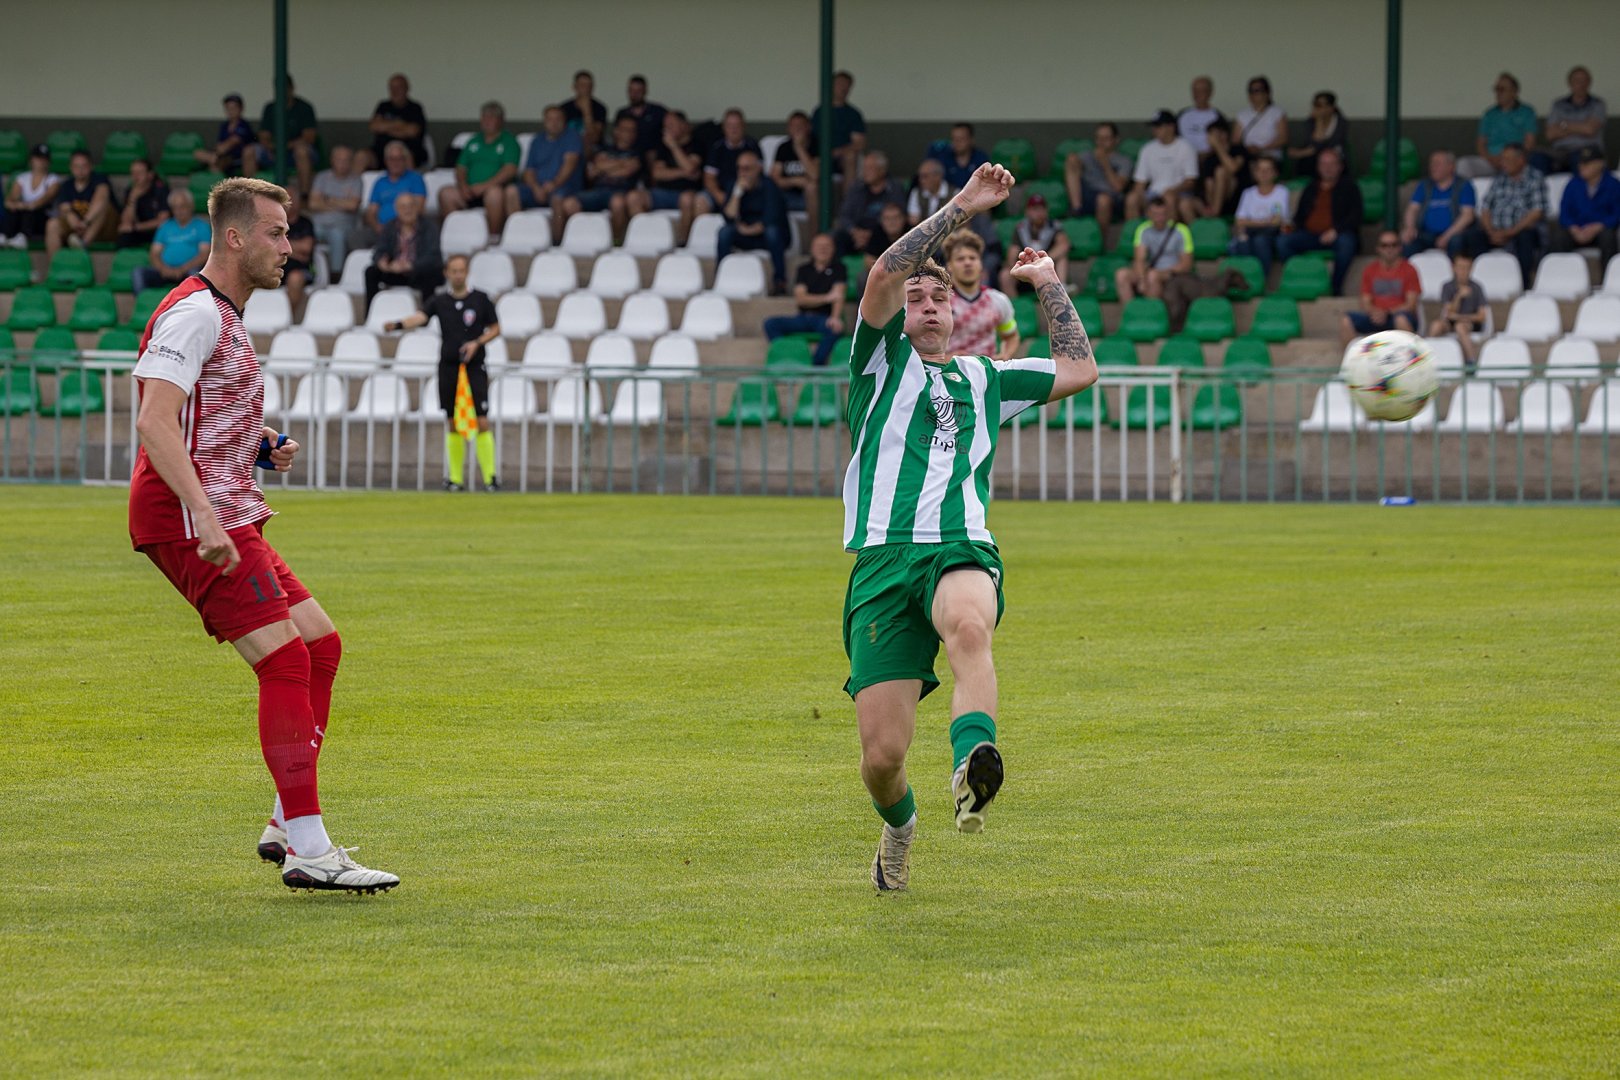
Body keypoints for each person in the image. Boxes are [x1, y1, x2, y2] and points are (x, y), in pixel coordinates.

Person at [128, 176, 398, 893]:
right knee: (283, 661)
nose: (289, 246)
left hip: (223, 506)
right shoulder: (195, 312)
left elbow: (199, 420)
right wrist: (204, 514)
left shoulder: (224, 314)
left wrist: (258, 443)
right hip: (190, 514)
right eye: (276, 233)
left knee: (319, 645)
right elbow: (154, 421)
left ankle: (285, 822)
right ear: (235, 237)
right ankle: (309, 846)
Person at [842, 161, 1098, 892]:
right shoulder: (877, 365)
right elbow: (881, 276)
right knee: (882, 758)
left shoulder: (987, 378)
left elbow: (1079, 369)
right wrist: (964, 205)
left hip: (960, 547)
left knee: (969, 626)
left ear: (956, 313)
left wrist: (1047, 281)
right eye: (916, 298)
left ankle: (972, 761)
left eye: (939, 299)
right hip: (883, 561)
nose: (927, 306)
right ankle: (900, 827)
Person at [383, 253, 502, 493]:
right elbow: (421, 316)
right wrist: (398, 325)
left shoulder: (480, 299)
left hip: (474, 367)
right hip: (449, 366)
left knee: (481, 419)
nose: (458, 275)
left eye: (461, 271)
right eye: (453, 271)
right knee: (452, 421)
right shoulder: (440, 300)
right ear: (447, 273)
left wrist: (477, 343)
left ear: (467, 272)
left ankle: (490, 478)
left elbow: (495, 328)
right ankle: (455, 479)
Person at [1276, 147, 1361, 294]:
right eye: (1324, 164)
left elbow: (1356, 216)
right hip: (1309, 235)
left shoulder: (1350, 187)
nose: (1327, 168)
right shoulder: (1311, 187)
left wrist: (1336, 231)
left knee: (1347, 243)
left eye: (1332, 164)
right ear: (1318, 167)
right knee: (1283, 242)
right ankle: (1302, 277)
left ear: (1340, 167)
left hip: (1337, 235)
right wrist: (1290, 227)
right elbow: (1299, 216)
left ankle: (1335, 287)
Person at [1467, 143, 1545, 288]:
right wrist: (1491, 231)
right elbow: (1485, 208)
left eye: (1507, 159)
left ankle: (1523, 284)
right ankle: (1480, 283)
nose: (1503, 163)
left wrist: (1510, 232)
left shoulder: (1535, 178)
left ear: (1521, 160)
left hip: (1520, 230)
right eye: (1502, 159)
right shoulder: (1499, 179)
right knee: (1473, 237)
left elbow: (1536, 213)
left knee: (1526, 238)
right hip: (1494, 231)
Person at [438, 101, 520, 237]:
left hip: (493, 190)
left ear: (501, 120)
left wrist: (484, 186)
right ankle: (457, 236)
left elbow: (510, 170)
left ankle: (492, 238)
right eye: (484, 117)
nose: (487, 121)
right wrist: (463, 186)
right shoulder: (473, 141)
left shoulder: (509, 141)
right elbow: (460, 168)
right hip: (469, 191)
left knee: (494, 194)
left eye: (491, 117)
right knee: (445, 193)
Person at [763, 232, 847, 365]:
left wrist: (835, 317)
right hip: (803, 318)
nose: (823, 249)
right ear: (812, 249)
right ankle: (789, 355)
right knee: (770, 324)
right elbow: (801, 299)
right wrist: (827, 297)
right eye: (819, 246)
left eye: (827, 246)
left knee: (834, 328)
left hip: (824, 318)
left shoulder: (839, 269)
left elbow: (838, 296)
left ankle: (816, 364)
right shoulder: (803, 269)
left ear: (833, 249)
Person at [561, 115, 644, 244]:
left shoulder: (638, 152)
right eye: (624, 129)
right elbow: (595, 167)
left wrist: (605, 167)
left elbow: (628, 171)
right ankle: (585, 240)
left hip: (621, 192)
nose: (628, 133)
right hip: (596, 191)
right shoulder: (603, 148)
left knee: (618, 203)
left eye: (631, 130)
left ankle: (615, 242)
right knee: (569, 203)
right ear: (616, 131)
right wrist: (622, 163)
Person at [715, 149, 787, 293]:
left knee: (772, 232)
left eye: (747, 168)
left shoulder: (770, 186)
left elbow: (770, 219)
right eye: (739, 168)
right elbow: (728, 217)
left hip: (766, 236)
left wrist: (747, 230)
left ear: (758, 168)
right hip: (744, 234)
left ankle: (780, 281)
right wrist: (737, 194)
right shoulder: (734, 185)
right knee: (724, 232)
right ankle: (721, 276)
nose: (742, 173)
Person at [942, 229, 1019, 360]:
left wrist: (1005, 356)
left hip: (986, 371)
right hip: (948, 371)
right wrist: (944, 359)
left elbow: (1011, 336)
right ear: (949, 265)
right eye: (960, 259)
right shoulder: (939, 302)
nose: (967, 263)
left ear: (980, 264)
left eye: (972, 258)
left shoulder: (998, 300)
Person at [508, 104, 584, 229]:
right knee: (511, 191)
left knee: (557, 198)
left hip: (563, 188)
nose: (554, 123)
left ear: (564, 121)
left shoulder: (572, 137)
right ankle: (518, 232)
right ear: (544, 121)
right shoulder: (537, 140)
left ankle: (556, 239)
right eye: (550, 119)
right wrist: (535, 188)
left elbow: (569, 165)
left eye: (558, 119)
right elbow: (529, 171)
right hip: (538, 189)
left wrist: (553, 184)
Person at [244, 76, 320, 195]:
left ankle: (304, 195)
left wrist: (284, 147)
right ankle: (250, 195)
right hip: (273, 151)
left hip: (295, 152)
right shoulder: (270, 108)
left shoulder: (304, 107)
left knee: (301, 151)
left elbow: (308, 137)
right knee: (249, 151)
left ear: (292, 88)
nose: (282, 92)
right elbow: (263, 136)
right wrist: (271, 147)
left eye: (285, 88)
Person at [1341, 231, 1420, 344]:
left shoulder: (1409, 270)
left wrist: (1387, 313)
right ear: (1378, 248)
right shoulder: (1370, 270)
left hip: (1398, 316)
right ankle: (1353, 355)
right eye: (1384, 245)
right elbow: (1365, 302)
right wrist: (1375, 312)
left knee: (1401, 319)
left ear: (1400, 248)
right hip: (1375, 317)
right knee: (1346, 320)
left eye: (1394, 245)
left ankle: (1410, 354)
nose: (1389, 249)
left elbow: (1410, 305)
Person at [363, 193, 441, 305]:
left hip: (418, 271)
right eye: (403, 207)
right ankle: (371, 311)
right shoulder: (389, 227)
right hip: (396, 271)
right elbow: (379, 250)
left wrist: (410, 265)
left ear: (417, 208)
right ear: (397, 209)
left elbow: (433, 256)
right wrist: (382, 262)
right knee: (371, 272)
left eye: (411, 206)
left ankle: (427, 313)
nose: (407, 210)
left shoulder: (429, 227)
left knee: (430, 274)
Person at [1115, 195, 1195, 303]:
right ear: (1148, 214)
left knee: (1152, 276)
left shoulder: (1181, 231)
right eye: (1156, 214)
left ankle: (1151, 310)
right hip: (1151, 269)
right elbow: (1139, 259)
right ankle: (1130, 310)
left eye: (1163, 214)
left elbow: (1186, 264)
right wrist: (1142, 280)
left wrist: (1162, 272)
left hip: (1173, 273)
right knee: (1121, 275)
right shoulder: (1143, 230)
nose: (1160, 218)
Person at [131, 188, 211, 294]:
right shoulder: (165, 226)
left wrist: (182, 269)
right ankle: (143, 302)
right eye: (175, 208)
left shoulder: (202, 226)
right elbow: (154, 254)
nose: (179, 211)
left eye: (182, 206)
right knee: (138, 273)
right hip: (164, 272)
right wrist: (163, 269)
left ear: (191, 206)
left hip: (188, 272)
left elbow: (204, 255)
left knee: (196, 275)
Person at [1459, 73, 1539, 179]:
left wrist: (1509, 159)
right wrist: (1491, 159)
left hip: (1515, 161)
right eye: (1496, 89)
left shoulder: (1526, 112)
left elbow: (1529, 143)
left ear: (1514, 92)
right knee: (1464, 164)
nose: (1498, 93)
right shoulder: (1489, 114)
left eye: (1502, 89)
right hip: (1491, 161)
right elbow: (1480, 144)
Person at [1125, 111, 1199, 223]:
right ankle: (1135, 232)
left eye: (1159, 126)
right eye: (1154, 127)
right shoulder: (1147, 149)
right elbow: (1140, 182)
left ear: (1171, 127)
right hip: (1153, 193)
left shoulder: (1185, 147)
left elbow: (1190, 181)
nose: (1155, 130)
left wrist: (1173, 190)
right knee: (1131, 199)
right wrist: (1141, 199)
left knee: (1169, 197)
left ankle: (1169, 233)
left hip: (1179, 192)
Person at [1551, 146, 1620, 265]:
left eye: (1587, 163)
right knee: (1559, 237)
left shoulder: (1613, 185)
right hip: (1577, 231)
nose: (1582, 167)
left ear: (1600, 164)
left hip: (1600, 230)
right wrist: (1573, 228)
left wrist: (1598, 226)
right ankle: (1562, 274)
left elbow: (1617, 213)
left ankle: (1609, 275)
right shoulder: (1573, 184)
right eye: (1581, 163)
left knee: (1608, 237)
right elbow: (1564, 213)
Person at [1400, 150, 1477, 258]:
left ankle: (1456, 269)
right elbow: (1412, 209)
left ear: (1451, 167)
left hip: (1453, 234)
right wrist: (1409, 228)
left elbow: (1467, 215)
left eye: (1438, 164)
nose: (1433, 167)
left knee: (1457, 241)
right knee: (1408, 241)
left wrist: (1447, 236)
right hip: (1426, 234)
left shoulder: (1463, 185)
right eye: (1432, 163)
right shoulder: (1424, 185)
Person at [355, 140, 426, 254]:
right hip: (381, 229)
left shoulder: (415, 179)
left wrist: (398, 228)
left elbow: (418, 208)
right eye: (391, 159)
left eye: (399, 159)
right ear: (386, 161)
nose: (395, 163)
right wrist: (377, 227)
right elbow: (371, 211)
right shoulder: (380, 182)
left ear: (405, 160)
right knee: (355, 236)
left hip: (406, 229)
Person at [646, 110, 706, 243]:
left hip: (687, 192)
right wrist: (684, 173)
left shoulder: (697, 144)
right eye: (665, 126)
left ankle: (682, 243)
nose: (667, 129)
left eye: (671, 125)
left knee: (687, 199)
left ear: (684, 125)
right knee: (635, 198)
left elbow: (690, 167)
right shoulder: (663, 146)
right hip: (662, 193)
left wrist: (674, 146)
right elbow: (657, 173)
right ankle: (646, 239)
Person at [1228, 156, 1290, 279]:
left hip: (1273, 234)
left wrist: (1251, 222)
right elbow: (1239, 221)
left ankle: (1261, 279)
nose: (1264, 173)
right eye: (1260, 170)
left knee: (1260, 241)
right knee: (1241, 242)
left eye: (1268, 170)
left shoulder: (1281, 192)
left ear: (1275, 173)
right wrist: (1265, 222)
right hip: (1251, 232)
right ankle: (1246, 279)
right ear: (1255, 173)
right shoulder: (1248, 193)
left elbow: (1277, 221)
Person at [1063, 122, 1131, 231]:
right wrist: (1074, 162)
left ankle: (1100, 238)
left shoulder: (1124, 161)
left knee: (1103, 200)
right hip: (1088, 195)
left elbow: (1118, 187)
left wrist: (1105, 164)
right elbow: (1073, 165)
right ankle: (1076, 209)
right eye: (1098, 138)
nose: (1101, 142)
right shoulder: (1088, 155)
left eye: (1106, 138)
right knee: (1071, 159)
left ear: (1116, 140)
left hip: (1112, 199)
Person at [47, 150, 116, 255]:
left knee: (103, 208)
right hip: (78, 228)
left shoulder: (100, 179)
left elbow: (101, 198)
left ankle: (82, 244)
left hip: (102, 228)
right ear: (71, 168)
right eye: (76, 166)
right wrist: (73, 220)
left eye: (84, 166)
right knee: (52, 224)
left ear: (91, 166)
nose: (80, 170)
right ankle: (55, 263)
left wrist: (86, 222)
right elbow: (64, 207)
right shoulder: (67, 185)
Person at [1426, 252, 1488, 371]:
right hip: (1450, 323)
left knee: (1460, 326)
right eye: (1460, 267)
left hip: (1470, 324)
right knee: (1436, 325)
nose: (1463, 271)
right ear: (1453, 268)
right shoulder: (1447, 286)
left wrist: (1461, 318)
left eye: (1466, 268)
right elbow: (1449, 312)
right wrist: (1459, 296)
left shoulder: (1477, 287)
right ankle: (1426, 360)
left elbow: (1482, 316)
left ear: (1471, 269)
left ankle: (1471, 363)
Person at [998, 193, 1069, 294]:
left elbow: (1064, 245)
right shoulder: (1021, 228)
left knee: (1062, 258)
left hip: (1047, 270)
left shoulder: (1054, 226)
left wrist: (1041, 262)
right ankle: (1015, 303)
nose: (1039, 213)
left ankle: (1062, 290)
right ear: (1027, 211)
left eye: (1042, 209)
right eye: (1035, 209)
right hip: (1025, 270)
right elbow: (1012, 255)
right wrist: (1024, 267)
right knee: (1005, 275)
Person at [838, 151, 906, 253]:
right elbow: (844, 215)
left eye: (870, 168)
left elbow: (899, 215)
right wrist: (855, 231)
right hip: (856, 234)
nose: (865, 172)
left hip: (883, 234)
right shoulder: (856, 188)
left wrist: (872, 234)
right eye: (864, 168)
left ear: (882, 171)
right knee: (837, 239)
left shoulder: (895, 188)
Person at [811, 69, 867, 190]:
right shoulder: (819, 112)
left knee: (850, 157)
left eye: (847, 85)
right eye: (840, 84)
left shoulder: (853, 114)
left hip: (842, 157)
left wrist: (837, 152)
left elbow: (859, 143)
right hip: (820, 157)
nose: (843, 88)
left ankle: (848, 199)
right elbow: (811, 137)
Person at [307, 145, 362, 269]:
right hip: (318, 225)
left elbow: (353, 206)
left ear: (351, 162)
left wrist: (327, 199)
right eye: (339, 160)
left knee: (337, 235)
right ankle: (306, 270)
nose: (342, 164)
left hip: (342, 225)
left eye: (346, 160)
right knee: (305, 235)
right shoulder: (322, 177)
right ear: (332, 160)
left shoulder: (356, 180)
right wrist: (343, 203)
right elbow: (313, 204)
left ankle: (335, 274)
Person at [700, 109, 761, 216]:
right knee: (700, 202)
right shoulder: (716, 148)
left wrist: (739, 193)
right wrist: (718, 195)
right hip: (720, 192)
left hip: (746, 192)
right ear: (723, 127)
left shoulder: (753, 146)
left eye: (737, 125)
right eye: (729, 126)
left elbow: (758, 174)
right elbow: (709, 178)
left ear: (744, 126)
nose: (733, 129)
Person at [1546, 65, 1606, 174]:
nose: (1581, 84)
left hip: (1587, 151)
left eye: (1584, 80)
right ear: (1569, 83)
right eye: (1577, 80)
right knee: (1538, 159)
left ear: (1589, 83)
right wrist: (1580, 127)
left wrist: (1563, 125)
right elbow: (1550, 134)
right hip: (1560, 151)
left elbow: (1589, 130)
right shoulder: (1558, 105)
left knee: (1579, 160)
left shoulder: (1597, 104)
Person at [367, 73, 428, 170]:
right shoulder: (383, 106)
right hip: (380, 151)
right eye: (392, 88)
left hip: (408, 150)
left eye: (399, 87)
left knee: (404, 156)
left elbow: (412, 131)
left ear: (407, 88)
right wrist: (398, 124)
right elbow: (374, 126)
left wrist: (386, 127)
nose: (394, 91)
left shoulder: (415, 108)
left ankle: (409, 180)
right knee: (362, 156)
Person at [770, 110, 819, 227]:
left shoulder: (816, 145)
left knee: (812, 188)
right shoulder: (783, 148)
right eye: (793, 126)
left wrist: (799, 148)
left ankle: (815, 236)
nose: (797, 129)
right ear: (788, 129)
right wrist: (796, 181)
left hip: (808, 198)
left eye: (800, 126)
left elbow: (815, 175)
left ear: (808, 127)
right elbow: (775, 179)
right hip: (786, 196)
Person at [3, 145, 60, 247]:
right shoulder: (22, 178)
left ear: (49, 162)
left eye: (44, 159)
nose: (41, 162)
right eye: (38, 158)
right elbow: (11, 199)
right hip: (24, 214)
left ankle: (24, 237)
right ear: (31, 160)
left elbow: (44, 199)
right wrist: (16, 205)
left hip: (41, 218)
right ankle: (5, 235)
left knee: (31, 212)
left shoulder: (53, 179)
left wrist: (26, 206)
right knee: (12, 212)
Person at [1287, 91, 1349, 179]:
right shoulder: (1310, 122)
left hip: (1335, 153)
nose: (1317, 109)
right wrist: (1319, 121)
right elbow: (1313, 142)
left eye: (1320, 105)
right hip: (1314, 155)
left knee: (1329, 160)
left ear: (1331, 107)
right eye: (1315, 105)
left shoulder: (1341, 122)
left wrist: (1304, 152)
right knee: (1306, 162)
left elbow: (1331, 143)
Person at [1200, 120, 1251, 218]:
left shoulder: (1238, 149)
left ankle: (1215, 212)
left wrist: (1218, 146)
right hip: (1217, 200)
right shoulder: (1209, 159)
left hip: (1239, 195)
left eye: (1217, 134)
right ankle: (1213, 211)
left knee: (1221, 171)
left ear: (1225, 134)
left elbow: (1233, 168)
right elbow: (1208, 185)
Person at [116, 158, 171, 250]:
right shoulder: (130, 190)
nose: (135, 177)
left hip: (158, 230)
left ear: (150, 175)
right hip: (140, 230)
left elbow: (163, 221)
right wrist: (132, 199)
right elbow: (126, 222)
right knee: (124, 237)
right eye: (133, 173)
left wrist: (135, 227)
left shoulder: (160, 190)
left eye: (140, 173)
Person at [195, 93, 255, 174]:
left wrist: (218, 152)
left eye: (233, 108)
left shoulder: (244, 125)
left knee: (217, 162)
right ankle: (213, 161)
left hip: (237, 158)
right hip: (221, 155)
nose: (230, 111)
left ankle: (214, 162)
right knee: (198, 153)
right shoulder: (224, 125)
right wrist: (216, 153)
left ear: (241, 109)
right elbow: (219, 144)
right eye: (228, 108)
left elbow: (232, 142)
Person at [1235, 76, 1288, 163]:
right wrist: (1248, 149)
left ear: (1267, 93)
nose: (1253, 94)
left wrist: (1262, 149)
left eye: (1257, 91)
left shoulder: (1277, 113)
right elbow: (1235, 140)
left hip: (1270, 156)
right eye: (1250, 91)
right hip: (1247, 155)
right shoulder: (1242, 115)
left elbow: (1283, 138)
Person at [613, 74, 667, 156]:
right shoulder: (622, 113)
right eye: (631, 90)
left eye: (639, 91)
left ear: (645, 91)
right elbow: (616, 137)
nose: (635, 94)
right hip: (628, 154)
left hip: (654, 154)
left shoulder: (657, 111)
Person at [280, 188, 316, 310]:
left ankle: (288, 316)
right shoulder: (275, 224)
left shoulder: (305, 223)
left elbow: (306, 248)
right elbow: (268, 248)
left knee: (295, 278)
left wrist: (282, 248)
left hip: (302, 269)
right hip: (277, 267)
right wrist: (296, 251)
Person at [559, 70, 609, 151]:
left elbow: (594, 138)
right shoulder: (564, 108)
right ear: (574, 87)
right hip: (569, 147)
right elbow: (559, 135)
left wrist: (586, 111)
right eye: (582, 85)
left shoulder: (600, 108)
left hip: (593, 149)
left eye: (589, 86)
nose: (586, 89)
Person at [930, 123, 990, 190]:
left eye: (961, 138)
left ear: (971, 140)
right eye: (954, 138)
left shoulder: (981, 158)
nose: (957, 142)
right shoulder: (944, 158)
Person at [1177, 76, 1225, 159]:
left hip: (1210, 159)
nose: (1197, 94)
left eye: (1202, 91)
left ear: (1210, 93)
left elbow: (1223, 144)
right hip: (1184, 158)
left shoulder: (1218, 117)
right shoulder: (1182, 115)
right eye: (1195, 90)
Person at [906, 158, 953, 227]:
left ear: (938, 176)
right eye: (920, 176)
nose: (921, 180)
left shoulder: (955, 193)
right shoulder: (916, 193)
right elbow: (913, 220)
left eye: (925, 176)